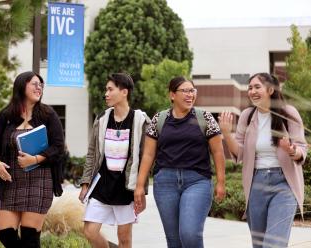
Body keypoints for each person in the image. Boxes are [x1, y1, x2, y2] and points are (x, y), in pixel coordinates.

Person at [134, 76, 226, 248]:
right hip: (165, 183)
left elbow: (218, 151)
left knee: (190, 234)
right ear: (172, 95)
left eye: (192, 91)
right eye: (185, 91)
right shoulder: (159, 119)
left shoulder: (204, 117)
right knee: (174, 241)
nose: (190, 95)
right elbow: (148, 155)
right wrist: (139, 185)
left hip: (197, 181)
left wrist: (221, 182)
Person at [218, 73, 308, 248]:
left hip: (284, 184)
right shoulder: (247, 116)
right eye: (250, 88)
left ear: (270, 90)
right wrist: (227, 133)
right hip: (256, 184)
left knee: (273, 244)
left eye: (257, 87)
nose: (252, 91)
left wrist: (292, 150)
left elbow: (301, 149)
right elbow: (240, 153)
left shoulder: (288, 113)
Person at [0, 71, 64, 248]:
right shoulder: (6, 116)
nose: (39, 88)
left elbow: (58, 148)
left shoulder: (48, 114)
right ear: (22, 86)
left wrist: (36, 159)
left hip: (40, 181)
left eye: (41, 85)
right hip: (11, 182)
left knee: (30, 236)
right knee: (5, 233)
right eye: (34, 84)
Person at [78, 73, 150, 248]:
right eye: (106, 90)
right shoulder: (102, 119)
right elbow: (92, 153)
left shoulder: (140, 121)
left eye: (110, 89)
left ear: (124, 92)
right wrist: (85, 182)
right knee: (90, 231)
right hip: (101, 184)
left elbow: (146, 158)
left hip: (125, 187)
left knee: (124, 239)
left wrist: (141, 189)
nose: (106, 94)